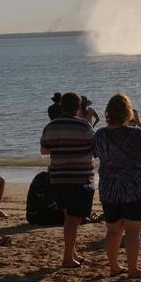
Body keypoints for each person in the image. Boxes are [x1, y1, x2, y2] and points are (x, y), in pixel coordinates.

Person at [93, 93, 141, 278]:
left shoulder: (100, 135)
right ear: (127, 113)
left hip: (109, 188)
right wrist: (138, 122)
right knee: (132, 230)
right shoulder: (135, 133)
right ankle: (133, 269)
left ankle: (114, 267)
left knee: (113, 230)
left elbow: (95, 153)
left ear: (108, 113)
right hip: (135, 188)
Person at [40, 92, 96, 268]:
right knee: (74, 220)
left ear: (60, 106)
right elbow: (96, 148)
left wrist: (62, 148)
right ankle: (67, 259)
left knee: (68, 218)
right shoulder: (84, 126)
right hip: (79, 177)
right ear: (79, 107)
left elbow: (44, 150)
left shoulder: (50, 126)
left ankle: (72, 254)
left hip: (57, 177)